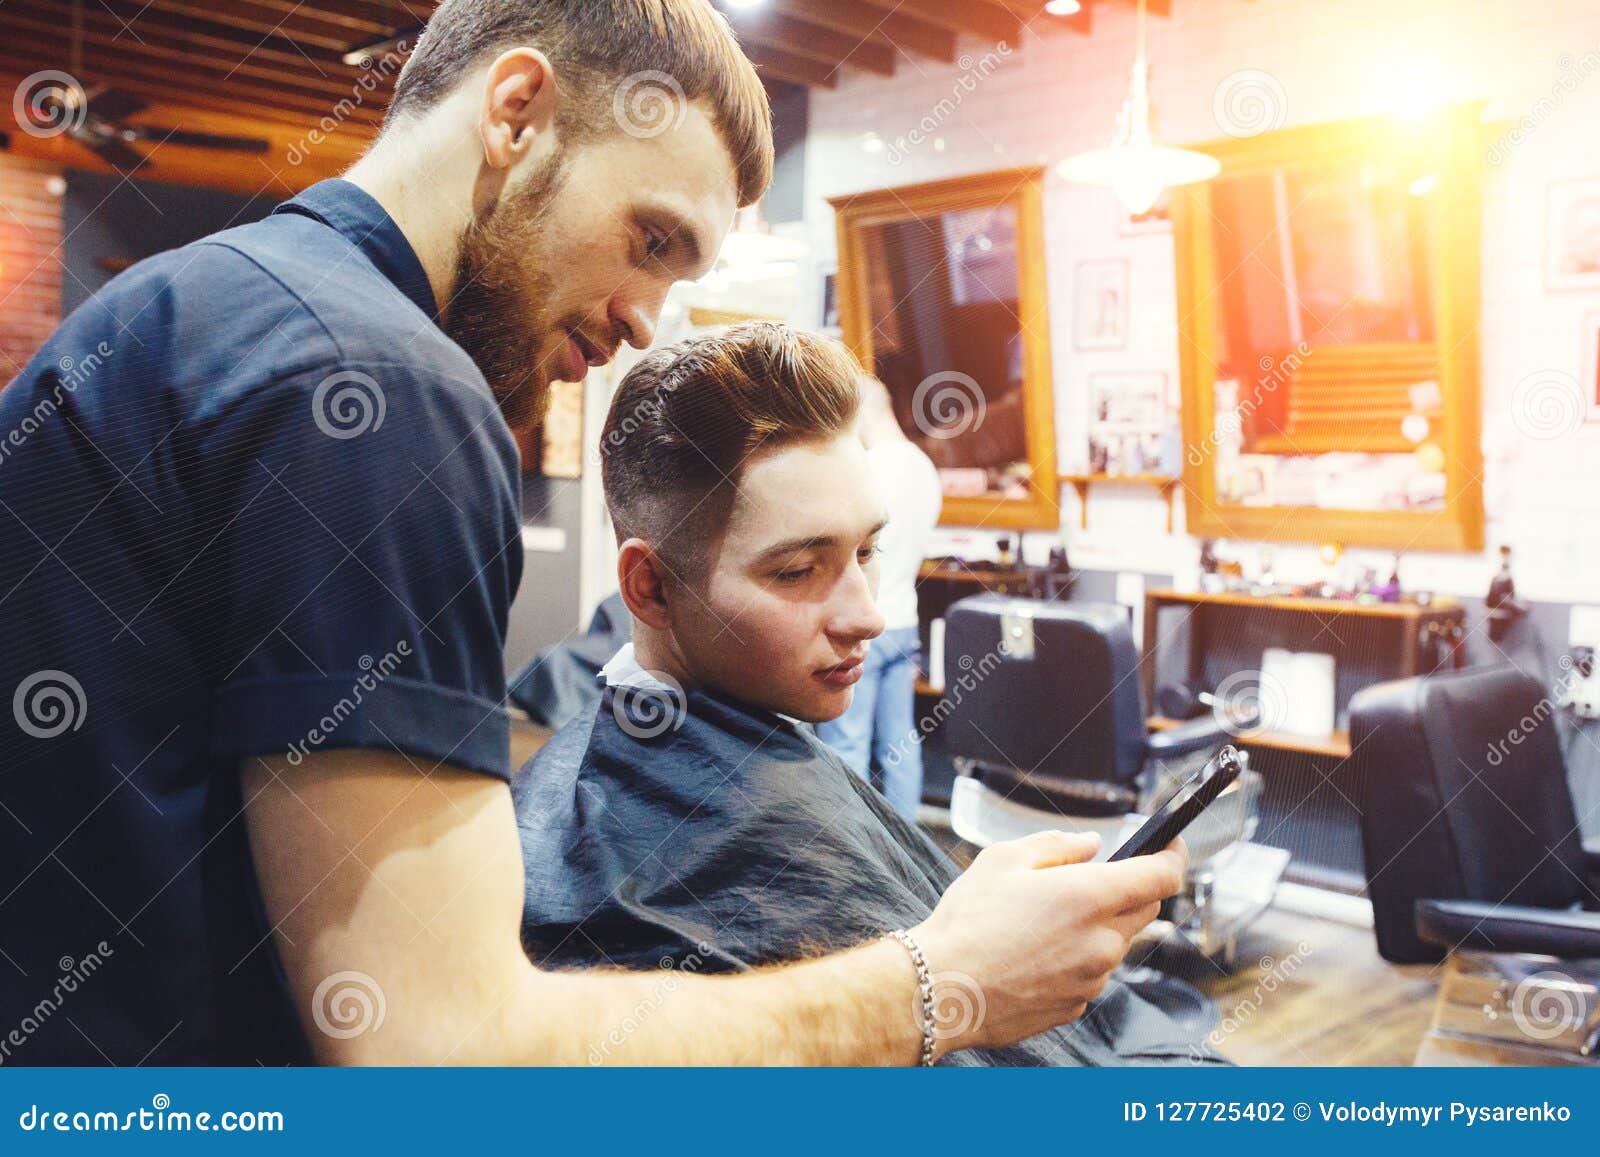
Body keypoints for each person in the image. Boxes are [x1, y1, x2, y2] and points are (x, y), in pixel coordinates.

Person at [0, 0, 1185, 1066]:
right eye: (650, 240)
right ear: (517, 113)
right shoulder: (376, 387)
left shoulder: (187, 302)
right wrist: (945, 983)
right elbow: (441, 1057)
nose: (642, 320)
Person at [515, 324, 1208, 1066]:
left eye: (867, 552)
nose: (867, 615)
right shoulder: (629, 854)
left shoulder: (737, 740)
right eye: (796, 571)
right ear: (649, 586)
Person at [817, 376, 941, 821]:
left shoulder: (868, 469)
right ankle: (908, 848)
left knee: (847, 741)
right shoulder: (923, 467)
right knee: (900, 743)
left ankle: (849, 849)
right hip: (905, 620)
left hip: (864, 624)